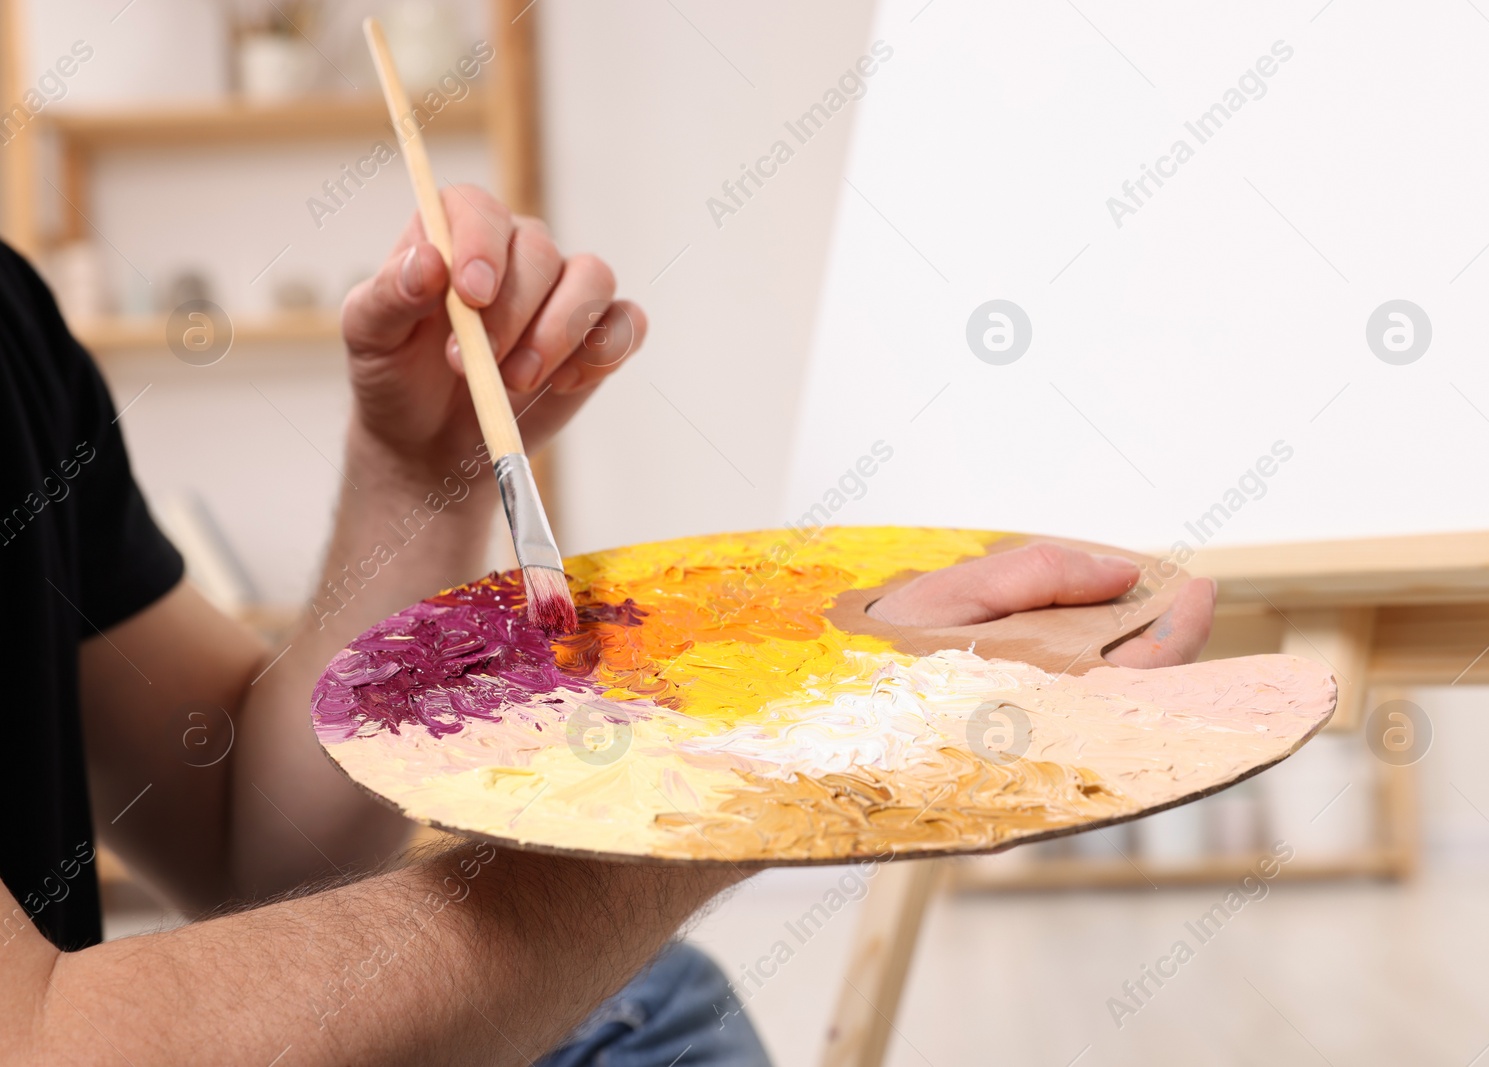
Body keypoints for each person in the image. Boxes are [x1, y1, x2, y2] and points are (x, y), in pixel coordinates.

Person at [0, 184, 1216, 1065]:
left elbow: (248, 853)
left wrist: (424, 479)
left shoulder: (13, 325)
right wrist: (771, 772)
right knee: (645, 1020)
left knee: (642, 1003)